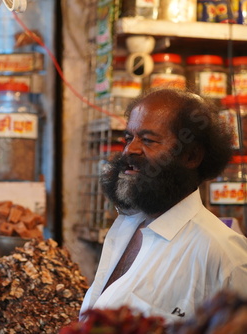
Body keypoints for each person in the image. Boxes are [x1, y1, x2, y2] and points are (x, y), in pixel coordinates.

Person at [79, 88, 247, 324]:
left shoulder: (224, 256)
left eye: (148, 140)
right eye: (129, 138)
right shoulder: (126, 225)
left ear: (191, 157)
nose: (130, 150)